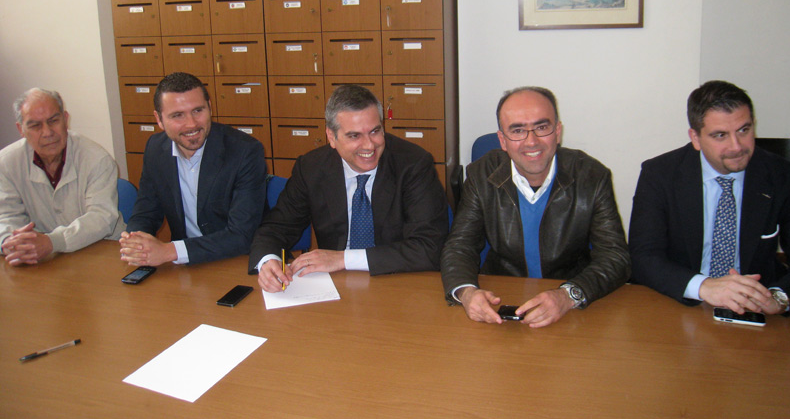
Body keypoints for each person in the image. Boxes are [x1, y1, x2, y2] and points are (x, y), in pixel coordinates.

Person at [440, 87, 631, 328]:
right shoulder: (481, 175)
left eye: (542, 128)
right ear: (503, 140)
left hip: (571, 302)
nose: (531, 142)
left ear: (557, 132)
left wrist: (568, 295)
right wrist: (467, 292)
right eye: (517, 131)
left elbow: (615, 256)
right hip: (502, 298)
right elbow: (460, 245)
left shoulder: (592, 176)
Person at [250, 84, 449, 291]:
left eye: (375, 131)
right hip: (337, 286)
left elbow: (430, 247)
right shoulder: (311, 167)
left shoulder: (413, 165)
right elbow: (276, 228)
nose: (369, 145)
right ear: (331, 137)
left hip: (398, 282)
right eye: (354, 136)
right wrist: (268, 260)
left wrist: (343, 259)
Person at [629, 80, 790, 315]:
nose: (736, 146)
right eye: (720, 135)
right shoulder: (660, 174)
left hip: (756, 306)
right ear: (696, 138)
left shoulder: (786, 177)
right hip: (681, 301)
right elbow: (643, 256)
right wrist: (703, 286)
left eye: (744, 130)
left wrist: (779, 298)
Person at [120, 72, 266, 266]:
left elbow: (241, 235)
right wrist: (136, 242)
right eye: (177, 115)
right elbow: (146, 212)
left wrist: (169, 251)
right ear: (159, 119)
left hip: (238, 261)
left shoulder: (244, 151)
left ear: (210, 107)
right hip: (186, 265)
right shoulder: (155, 149)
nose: (191, 124)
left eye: (198, 110)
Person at [0, 88, 124, 265]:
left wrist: (52, 242)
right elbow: (6, 215)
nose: (47, 132)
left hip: (101, 252)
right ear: (21, 129)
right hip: (45, 261)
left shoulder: (97, 159)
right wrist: (11, 243)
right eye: (35, 126)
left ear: (65, 119)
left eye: (53, 121)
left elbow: (101, 218)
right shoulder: (6, 163)